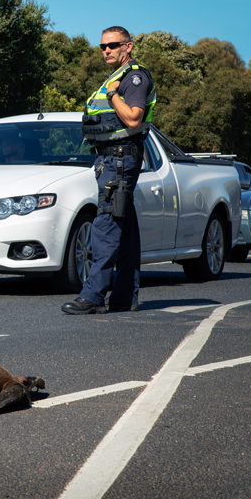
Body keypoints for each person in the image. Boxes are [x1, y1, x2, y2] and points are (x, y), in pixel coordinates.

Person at [62, 27, 156, 314]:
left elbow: (133, 119)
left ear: (128, 46)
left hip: (119, 160)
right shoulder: (117, 76)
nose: (106, 50)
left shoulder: (133, 78)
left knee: (105, 226)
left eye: (112, 45)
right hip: (112, 159)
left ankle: (92, 295)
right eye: (102, 46)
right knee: (124, 228)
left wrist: (115, 95)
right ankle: (124, 296)